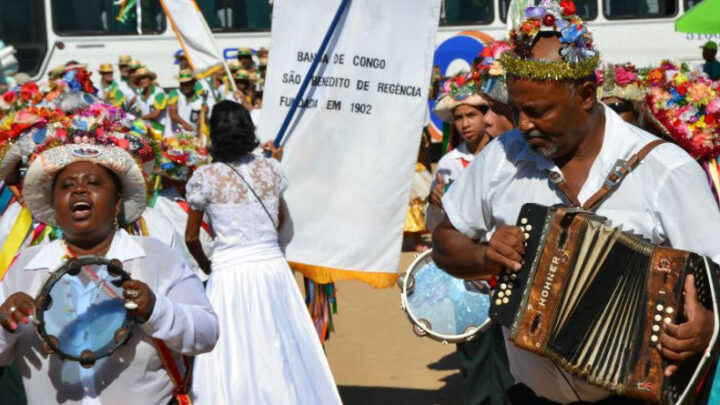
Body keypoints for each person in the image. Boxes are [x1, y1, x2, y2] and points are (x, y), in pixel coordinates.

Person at [432, 1, 719, 403]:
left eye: (538, 111)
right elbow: (444, 239)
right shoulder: (503, 157)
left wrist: (708, 326)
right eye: (516, 109)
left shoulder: (664, 169)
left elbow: (715, 274)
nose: (524, 124)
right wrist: (485, 257)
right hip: (531, 397)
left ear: (586, 94)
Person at [0, 141, 218, 404]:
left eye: (93, 182)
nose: (79, 189)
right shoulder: (27, 265)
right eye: (67, 186)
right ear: (54, 206)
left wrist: (156, 310)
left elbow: (206, 333)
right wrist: (5, 325)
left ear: (116, 203)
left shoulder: (155, 257)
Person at [187, 101, 341, 404]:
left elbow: (191, 236)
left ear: (213, 133)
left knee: (235, 350)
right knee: (280, 342)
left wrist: (209, 265)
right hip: (272, 269)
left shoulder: (205, 177)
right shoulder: (270, 168)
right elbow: (281, 220)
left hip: (230, 272)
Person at [425, 72, 491, 231]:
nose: (465, 124)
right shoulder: (448, 163)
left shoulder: (503, 156)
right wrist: (435, 203)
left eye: (471, 115)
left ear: (486, 116)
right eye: (459, 118)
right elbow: (433, 226)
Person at [167, 69, 213, 137]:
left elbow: (202, 117)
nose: (185, 86)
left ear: (193, 83)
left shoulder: (200, 98)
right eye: (182, 83)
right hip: (175, 135)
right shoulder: (174, 94)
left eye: (187, 83)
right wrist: (185, 125)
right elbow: (173, 113)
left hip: (193, 137)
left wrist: (204, 112)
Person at [132, 67, 169, 134]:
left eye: (144, 78)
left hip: (162, 129)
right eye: (139, 79)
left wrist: (138, 119)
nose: (142, 81)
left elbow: (155, 114)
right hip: (147, 129)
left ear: (150, 79)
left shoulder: (159, 93)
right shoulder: (139, 96)